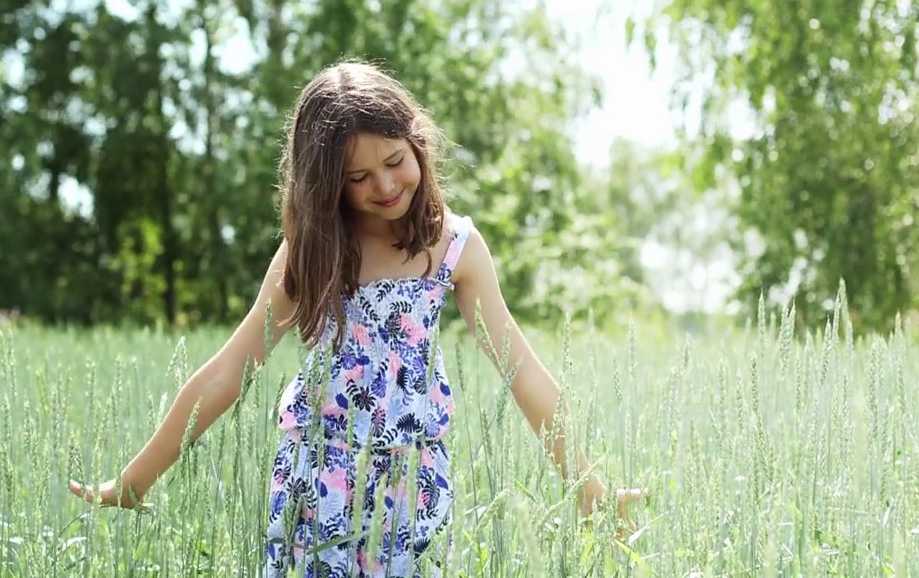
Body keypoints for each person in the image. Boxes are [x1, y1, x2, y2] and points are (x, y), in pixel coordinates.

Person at [69, 61, 645, 576]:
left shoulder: (455, 249)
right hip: (317, 482)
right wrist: (133, 481)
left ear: (417, 143)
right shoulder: (314, 250)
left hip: (414, 490)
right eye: (359, 178)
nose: (386, 185)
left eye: (395, 161)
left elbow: (526, 376)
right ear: (326, 185)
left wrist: (589, 486)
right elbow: (227, 372)